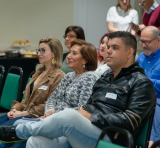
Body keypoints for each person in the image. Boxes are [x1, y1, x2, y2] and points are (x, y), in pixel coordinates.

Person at [0, 32, 156, 148]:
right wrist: (84, 114)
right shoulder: (105, 78)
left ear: (129, 53)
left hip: (110, 136)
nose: (107, 51)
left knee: (69, 115)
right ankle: (19, 131)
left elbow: (130, 120)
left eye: (114, 48)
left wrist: (91, 116)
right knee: (36, 142)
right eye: (108, 47)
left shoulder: (141, 82)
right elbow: (85, 107)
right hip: (85, 129)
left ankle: (17, 132)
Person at [0, 37, 65, 147]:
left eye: (43, 50)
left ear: (54, 53)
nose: (39, 53)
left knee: (3, 136)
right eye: (38, 50)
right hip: (24, 114)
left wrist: (23, 113)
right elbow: (26, 99)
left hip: (35, 118)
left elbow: (50, 105)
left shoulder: (59, 76)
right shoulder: (38, 72)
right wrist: (16, 109)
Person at [137, 26, 160, 148]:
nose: (144, 45)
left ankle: (152, 144)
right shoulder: (141, 57)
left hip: (157, 99)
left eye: (148, 42)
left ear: (158, 40)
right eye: (142, 41)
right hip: (139, 96)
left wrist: (146, 81)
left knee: (154, 105)